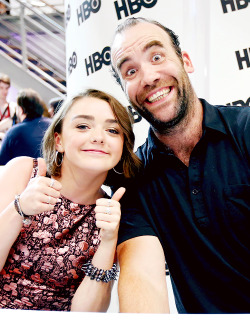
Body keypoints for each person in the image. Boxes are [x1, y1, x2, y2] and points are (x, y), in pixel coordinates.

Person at [110, 17, 250, 313]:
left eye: (157, 56)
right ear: (126, 91)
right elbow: (142, 275)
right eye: (131, 71)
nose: (148, 77)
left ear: (185, 61)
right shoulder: (132, 177)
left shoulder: (246, 130)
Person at [0, 88, 141, 311]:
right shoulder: (25, 172)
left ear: (123, 147)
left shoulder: (112, 211)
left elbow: (87, 314)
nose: (98, 137)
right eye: (83, 126)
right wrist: (19, 209)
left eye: (112, 130)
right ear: (59, 140)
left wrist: (108, 241)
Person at [0, 88, 51, 165]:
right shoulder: (52, 124)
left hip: (26, 174)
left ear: (20, 109)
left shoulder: (14, 132)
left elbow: (2, 162)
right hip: (53, 174)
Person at [0, 73, 17, 142]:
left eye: (7, 88)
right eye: (1, 88)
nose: (4, 91)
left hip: (6, 145)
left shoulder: (13, 107)